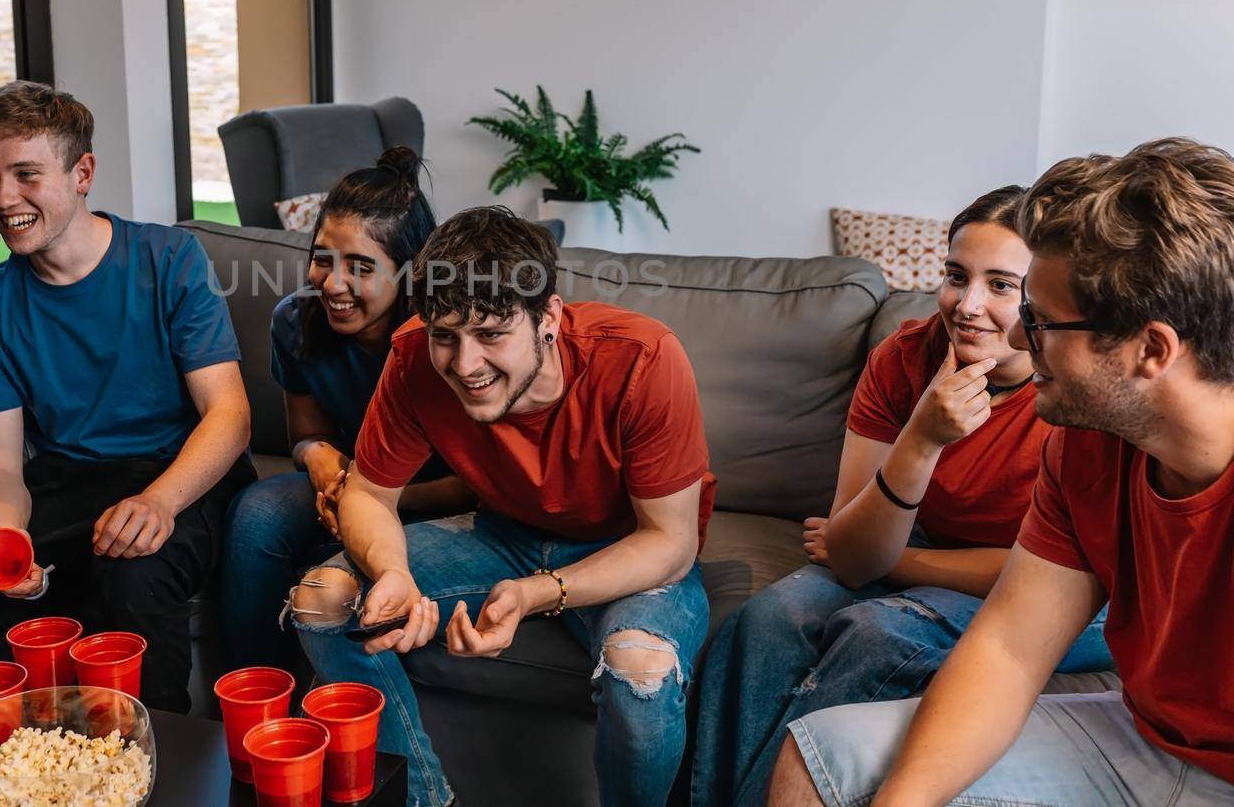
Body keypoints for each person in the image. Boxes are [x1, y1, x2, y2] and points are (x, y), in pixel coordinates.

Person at [769, 137, 1234, 807]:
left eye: (1037, 319)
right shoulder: (1088, 445)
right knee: (824, 757)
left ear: (1149, 349)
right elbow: (1009, 648)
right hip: (1140, 740)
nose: (1015, 338)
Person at [689, 186, 1112, 806]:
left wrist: (905, 564)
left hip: (1060, 587)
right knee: (767, 621)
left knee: (879, 633)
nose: (968, 306)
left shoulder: (1072, 392)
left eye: (1002, 286)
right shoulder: (905, 357)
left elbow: (1050, 576)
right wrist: (922, 437)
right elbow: (854, 556)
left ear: (1044, 298)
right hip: (929, 543)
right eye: (955, 276)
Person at [291, 206, 715, 807]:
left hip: (627, 550)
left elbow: (670, 543)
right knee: (322, 601)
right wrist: (393, 571)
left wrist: (534, 592)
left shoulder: (642, 359)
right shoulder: (413, 354)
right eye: (446, 336)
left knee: (639, 671)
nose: (465, 366)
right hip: (504, 533)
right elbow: (366, 493)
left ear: (548, 318)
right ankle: (420, 799)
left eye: (490, 333)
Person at [0, 81, 253, 743]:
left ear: (82, 172)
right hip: (72, 480)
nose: (3, 199)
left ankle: (155, 767)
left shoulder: (168, 259)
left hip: (183, 473)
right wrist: (11, 539)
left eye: (26, 174)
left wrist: (159, 502)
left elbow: (229, 415)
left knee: (134, 574)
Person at [218, 147, 471, 670]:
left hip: (440, 501)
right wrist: (319, 460)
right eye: (323, 259)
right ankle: (255, 699)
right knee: (257, 511)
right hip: (348, 487)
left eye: (360, 267)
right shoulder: (295, 322)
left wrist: (366, 499)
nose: (333, 284)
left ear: (409, 273)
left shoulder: (447, 341)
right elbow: (304, 434)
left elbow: (476, 484)